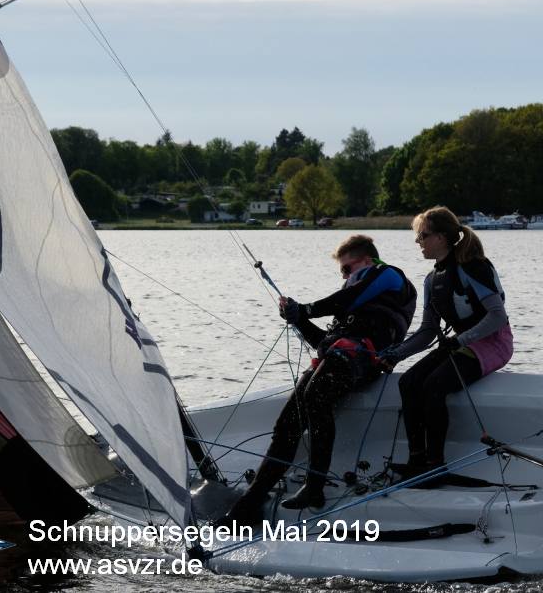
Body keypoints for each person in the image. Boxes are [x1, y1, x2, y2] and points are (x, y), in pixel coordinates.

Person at [217, 235, 416, 526]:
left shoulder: (388, 275)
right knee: (286, 425)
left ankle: (314, 486)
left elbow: (343, 300)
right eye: (342, 273)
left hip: (364, 359)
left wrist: (306, 309)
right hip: (339, 357)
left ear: (368, 260)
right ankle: (251, 504)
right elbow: (323, 341)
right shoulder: (353, 307)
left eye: (348, 269)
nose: (345, 277)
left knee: (314, 398)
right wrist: (297, 318)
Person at [379, 206, 513, 480]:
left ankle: (436, 466)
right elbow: (428, 331)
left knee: (433, 386)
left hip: (492, 343)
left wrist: (460, 340)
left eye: (423, 236)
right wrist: (395, 354)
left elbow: (497, 317)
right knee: (408, 383)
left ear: (441, 237)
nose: (419, 243)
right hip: (461, 344)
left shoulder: (472, 267)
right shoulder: (432, 279)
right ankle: (417, 462)